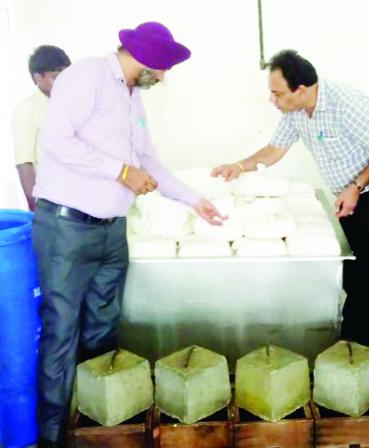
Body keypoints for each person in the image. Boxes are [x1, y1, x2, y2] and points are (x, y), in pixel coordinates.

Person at [31, 22, 223, 447]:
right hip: (67, 228)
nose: (165, 76)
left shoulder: (133, 97)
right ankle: (51, 438)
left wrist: (194, 200)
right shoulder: (87, 76)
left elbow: (148, 162)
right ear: (147, 58)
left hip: (110, 232)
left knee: (102, 330)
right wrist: (120, 171)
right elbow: (55, 140)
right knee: (61, 332)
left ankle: (97, 424)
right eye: (165, 68)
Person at [212, 49, 369, 352]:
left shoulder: (345, 103)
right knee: (353, 277)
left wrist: (356, 185)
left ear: (300, 90)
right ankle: (349, 345)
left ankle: (365, 355)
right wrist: (238, 167)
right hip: (348, 196)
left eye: (277, 94)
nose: (272, 100)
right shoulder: (296, 112)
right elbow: (274, 149)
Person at [12, 45, 70, 210]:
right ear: (38, 77)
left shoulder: (72, 104)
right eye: (56, 76)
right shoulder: (28, 109)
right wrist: (37, 208)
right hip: (51, 201)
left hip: (78, 199)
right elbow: (24, 163)